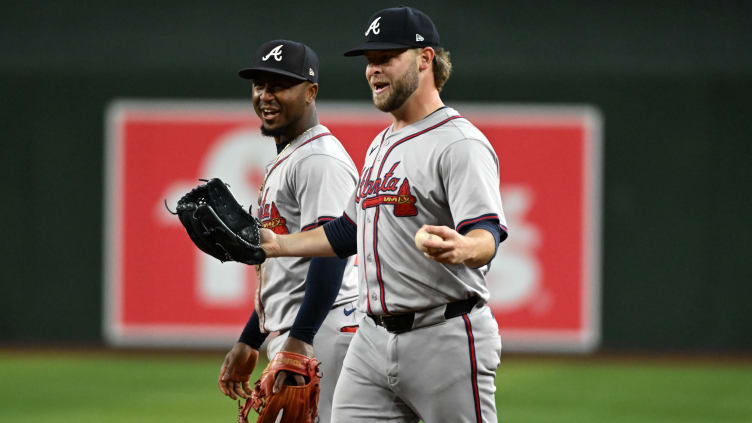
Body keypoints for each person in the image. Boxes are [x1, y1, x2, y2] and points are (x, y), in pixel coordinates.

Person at [258, 7, 509, 422]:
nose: (373, 69)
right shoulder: (380, 145)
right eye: (369, 61)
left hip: (443, 336)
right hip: (371, 339)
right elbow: (345, 232)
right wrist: (279, 245)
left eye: (386, 58)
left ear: (425, 59)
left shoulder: (459, 142)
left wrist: (467, 247)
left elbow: (487, 230)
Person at [216, 39, 361, 423]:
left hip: (323, 329)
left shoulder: (319, 160)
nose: (266, 95)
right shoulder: (292, 156)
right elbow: (285, 271)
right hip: (305, 327)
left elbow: (332, 250)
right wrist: (251, 339)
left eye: (279, 85)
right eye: (259, 85)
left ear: (311, 92)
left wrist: (301, 339)